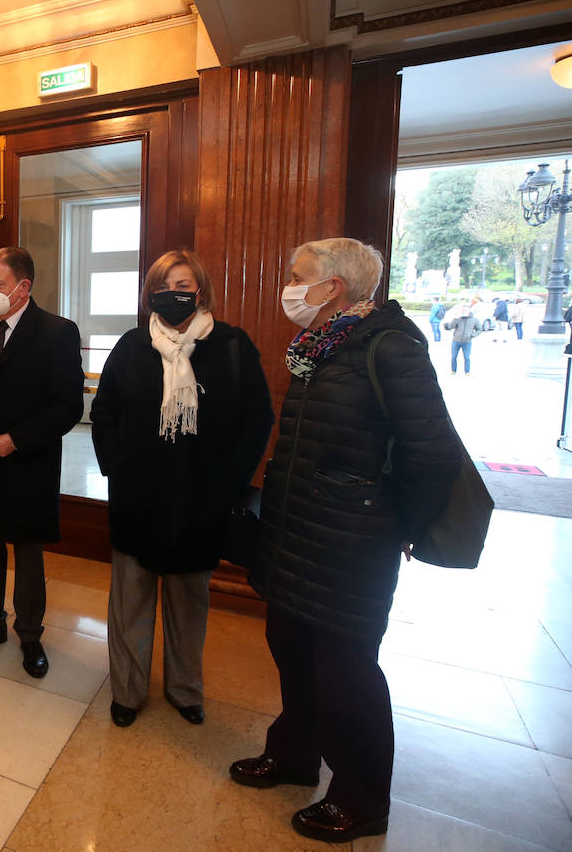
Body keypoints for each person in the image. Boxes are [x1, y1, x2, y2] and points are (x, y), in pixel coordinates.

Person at [229, 238, 463, 843]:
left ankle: (361, 798)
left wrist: (396, 523)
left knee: (345, 671)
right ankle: (295, 755)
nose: (289, 286)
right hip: (297, 527)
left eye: (298, 276)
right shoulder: (318, 346)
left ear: (331, 288)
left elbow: (434, 453)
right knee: (291, 647)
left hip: (351, 543)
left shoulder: (391, 347)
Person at [90, 250, 274, 729]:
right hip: (137, 499)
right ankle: (128, 692)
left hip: (202, 501)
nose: (175, 293)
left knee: (189, 604)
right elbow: (105, 411)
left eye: (185, 285)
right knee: (130, 601)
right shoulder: (132, 346)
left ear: (201, 291)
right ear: (152, 292)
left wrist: (230, 484)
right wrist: (116, 468)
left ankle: (184, 688)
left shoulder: (232, 345)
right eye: (166, 284)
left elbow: (257, 420)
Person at [0, 246, 84, 678]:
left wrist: (16, 440)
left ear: (23, 288)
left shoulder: (57, 332)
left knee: (27, 556)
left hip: (27, 464)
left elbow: (67, 406)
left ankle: (29, 635)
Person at [444, 302, 480, 374]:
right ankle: (453, 370)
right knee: (453, 357)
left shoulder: (474, 320)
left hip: (467, 341)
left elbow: (479, 329)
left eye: (466, 310)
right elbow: (450, 326)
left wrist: (473, 335)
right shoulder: (458, 318)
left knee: (467, 357)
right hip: (456, 341)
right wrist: (455, 318)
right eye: (463, 310)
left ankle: (467, 371)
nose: (464, 312)